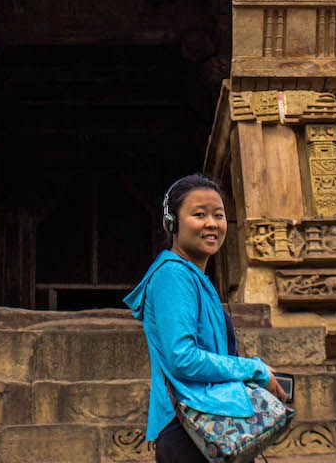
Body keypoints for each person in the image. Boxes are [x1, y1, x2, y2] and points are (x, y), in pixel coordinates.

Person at [124, 174, 289, 463]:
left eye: (219, 215)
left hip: (216, 427)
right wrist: (254, 369)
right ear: (172, 223)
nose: (212, 224)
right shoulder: (172, 276)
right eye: (199, 215)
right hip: (192, 432)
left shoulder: (194, 278)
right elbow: (182, 357)